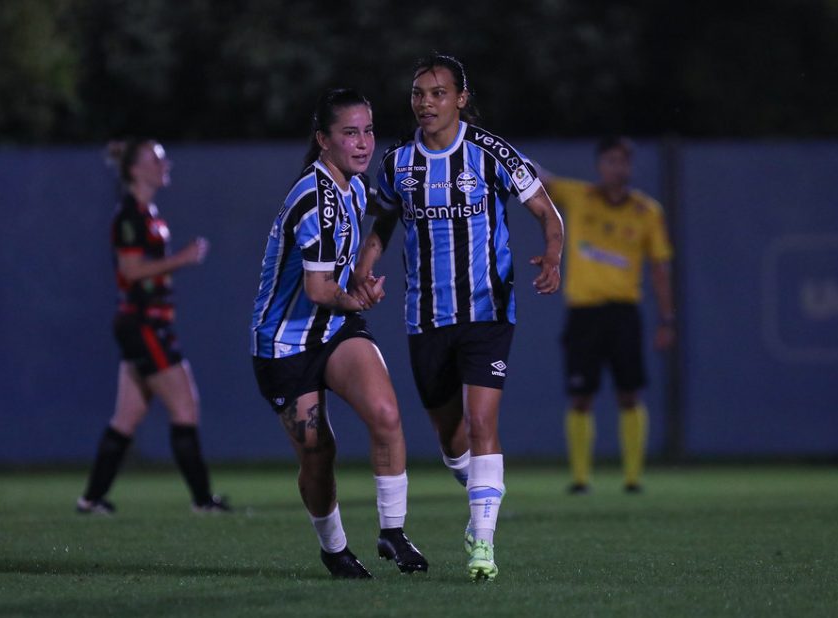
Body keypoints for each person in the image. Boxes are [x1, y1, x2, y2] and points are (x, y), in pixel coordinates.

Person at [355, 54, 564, 582]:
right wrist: (364, 264)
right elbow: (382, 220)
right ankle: (481, 504)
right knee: (452, 439)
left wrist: (554, 254)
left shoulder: (490, 152)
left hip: (488, 310)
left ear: (461, 99)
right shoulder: (398, 162)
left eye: (438, 93)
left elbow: (547, 210)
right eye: (419, 94)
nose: (426, 103)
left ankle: (483, 543)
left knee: (482, 423)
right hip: (425, 318)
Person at [250, 88, 428, 579]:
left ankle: (392, 531)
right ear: (323, 140)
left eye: (368, 130)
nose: (363, 142)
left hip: (332, 330)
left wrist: (367, 264)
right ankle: (333, 549)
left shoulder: (352, 185)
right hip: (284, 342)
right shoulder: (316, 198)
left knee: (386, 413)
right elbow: (320, 289)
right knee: (318, 450)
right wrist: (360, 295)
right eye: (350, 132)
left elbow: (386, 211)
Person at [76, 139, 230, 515]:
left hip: (144, 323)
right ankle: (202, 500)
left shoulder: (148, 214)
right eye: (155, 159)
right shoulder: (129, 216)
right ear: (134, 170)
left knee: (126, 417)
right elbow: (130, 272)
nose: (164, 164)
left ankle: (91, 500)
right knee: (185, 406)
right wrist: (183, 258)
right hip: (143, 324)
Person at [540, 136, 675, 494]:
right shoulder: (579, 196)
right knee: (581, 396)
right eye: (611, 161)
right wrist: (496, 148)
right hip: (583, 313)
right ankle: (581, 478)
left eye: (624, 162)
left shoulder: (647, 212)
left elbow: (660, 268)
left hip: (623, 313)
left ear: (631, 167)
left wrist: (667, 319)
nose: (618, 168)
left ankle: (633, 478)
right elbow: (539, 178)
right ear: (600, 165)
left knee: (629, 394)